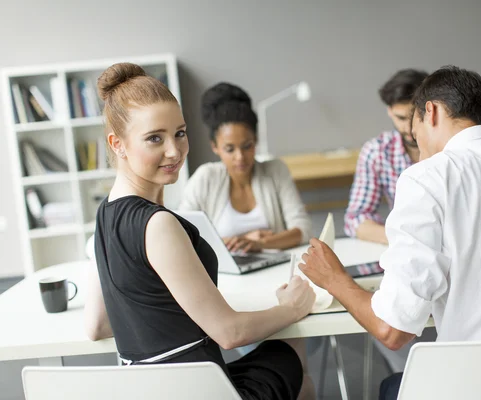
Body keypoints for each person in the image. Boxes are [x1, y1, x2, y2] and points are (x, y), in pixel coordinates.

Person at [299, 65, 481, 400]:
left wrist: (333, 278)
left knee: (390, 388)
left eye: (413, 128)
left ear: (430, 111)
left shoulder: (427, 178)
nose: (414, 140)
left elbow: (392, 330)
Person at [83, 63, 316, 400]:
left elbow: (96, 328)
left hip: (152, 392)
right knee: (292, 347)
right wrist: (291, 307)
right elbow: (229, 333)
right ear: (117, 144)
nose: (174, 151)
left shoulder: (104, 216)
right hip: (205, 390)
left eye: (179, 132)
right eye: (154, 139)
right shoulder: (158, 224)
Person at [179, 82, 311, 253]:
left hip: (275, 268)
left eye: (247, 146)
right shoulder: (206, 178)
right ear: (215, 147)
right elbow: (181, 234)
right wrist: (243, 241)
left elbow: (303, 229)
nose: (240, 157)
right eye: (230, 149)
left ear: (256, 140)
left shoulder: (275, 171)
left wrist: (260, 244)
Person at [344, 69, 428, 244]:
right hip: (404, 248)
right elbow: (357, 218)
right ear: (389, 111)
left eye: (415, 117)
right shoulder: (377, 152)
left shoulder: (452, 148)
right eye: (401, 118)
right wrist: (405, 240)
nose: (408, 128)